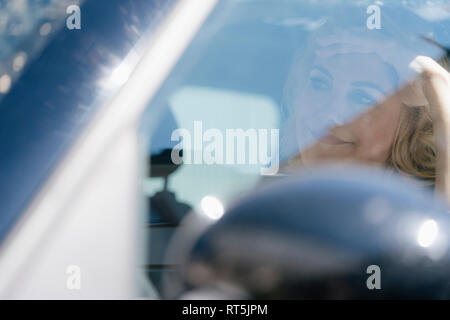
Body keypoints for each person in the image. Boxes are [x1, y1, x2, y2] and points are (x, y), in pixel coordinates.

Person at [280, 10, 450, 200]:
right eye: (320, 84)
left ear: (408, 124)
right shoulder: (266, 199)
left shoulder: (418, 214)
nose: (331, 114)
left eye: (363, 98)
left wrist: (435, 82)